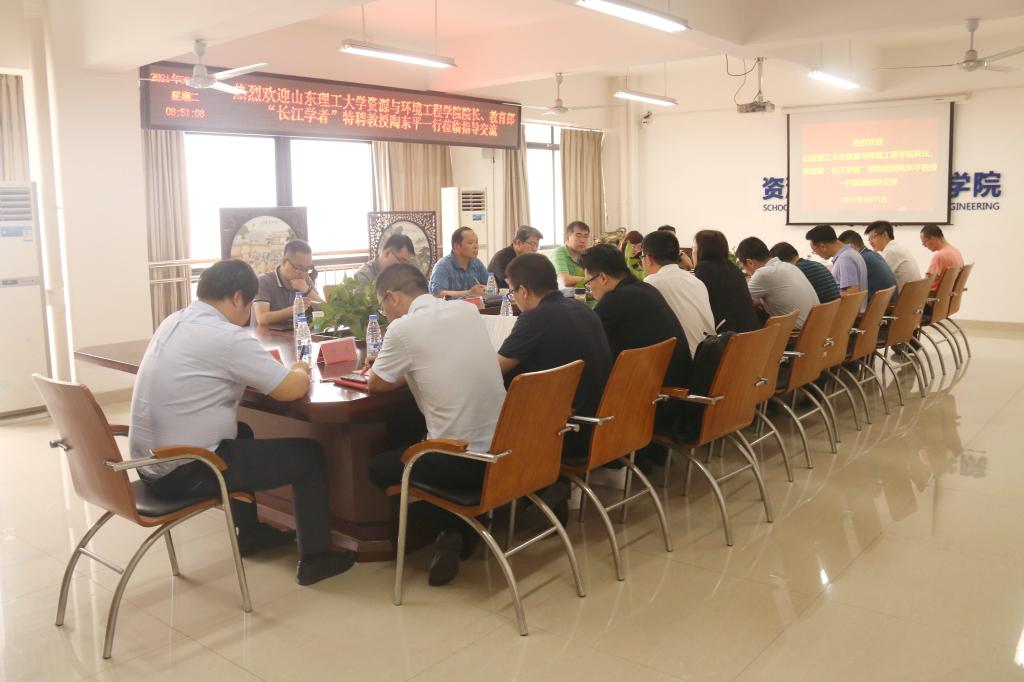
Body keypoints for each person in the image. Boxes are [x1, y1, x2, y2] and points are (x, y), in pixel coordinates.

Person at [130, 259, 354, 586]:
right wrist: (300, 369)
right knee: (309, 455)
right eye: (248, 304)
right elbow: (290, 390)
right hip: (188, 471)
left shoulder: (174, 320)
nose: (248, 312)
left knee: (242, 432)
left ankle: (250, 533)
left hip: (150, 465)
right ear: (237, 297)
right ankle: (316, 558)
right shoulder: (227, 337)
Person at [365, 263, 506, 587]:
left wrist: (402, 367)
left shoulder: (402, 329)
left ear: (392, 297)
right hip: (503, 449)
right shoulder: (467, 311)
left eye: (383, 306)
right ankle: (455, 530)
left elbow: (376, 384)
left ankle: (455, 525)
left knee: (377, 468)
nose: (386, 313)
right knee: (416, 434)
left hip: (460, 459)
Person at [580, 244, 692, 471]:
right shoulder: (645, 289)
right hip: (671, 395)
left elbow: (586, 348)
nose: (590, 289)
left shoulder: (614, 301)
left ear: (602, 278)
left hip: (652, 401)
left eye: (589, 282)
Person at [497, 253, 612, 466]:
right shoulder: (583, 309)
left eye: (512, 292)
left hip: (565, 430)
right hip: (600, 423)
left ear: (523, 290)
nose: (514, 298)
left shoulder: (534, 318)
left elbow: (493, 370)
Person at [641, 230, 715, 353]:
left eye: (642, 257)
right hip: (711, 354)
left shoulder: (651, 283)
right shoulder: (696, 281)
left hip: (685, 360)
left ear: (648, 259)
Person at [736, 236, 819, 329]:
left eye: (743, 267)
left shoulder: (763, 273)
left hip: (796, 333)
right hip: (815, 329)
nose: (745, 271)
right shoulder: (789, 266)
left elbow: (740, 303)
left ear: (750, 262)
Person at [691, 229, 760, 333]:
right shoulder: (733, 268)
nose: (693, 251)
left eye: (694, 247)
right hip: (751, 332)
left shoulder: (704, 268)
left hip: (730, 335)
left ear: (702, 249)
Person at [253, 240, 325, 327]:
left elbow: (327, 311)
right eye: (299, 268)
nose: (303, 274)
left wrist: (307, 291)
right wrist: (294, 309)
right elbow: (262, 319)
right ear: (284, 262)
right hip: (269, 335)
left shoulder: (305, 279)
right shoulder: (264, 281)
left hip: (297, 333)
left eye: (307, 269)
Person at [768, 241, 840, 304]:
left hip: (821, 312)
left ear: (780, 261)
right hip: (835, 310)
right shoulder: (817, 264)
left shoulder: (795, 271)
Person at [805, 224, 868, 295]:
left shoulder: (845, 258)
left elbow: (851, 294)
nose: (816, 253)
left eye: (814, 250)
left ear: (823, 247)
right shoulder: (852, 253)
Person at [428, 226, 489, 298]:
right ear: (457, 247)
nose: (476, 246)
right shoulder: (442, 266)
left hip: (473, 305)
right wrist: (469, 293)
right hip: (450, 305)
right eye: (470, 243)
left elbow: (491, 285)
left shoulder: (476, 263)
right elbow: (438, 294)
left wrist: (484, 288)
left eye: (476, 242)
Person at [838, 229, 898, 302]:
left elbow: (851, 292)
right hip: (888, 303)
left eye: (842, 251)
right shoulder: (874, 255)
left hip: (879, 306)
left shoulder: (861, 260)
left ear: (852, 247)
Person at [863, 220, 921, 291]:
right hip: (914, 294)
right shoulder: (895, 247)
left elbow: (880, 279)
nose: (870, 242)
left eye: (872, 237)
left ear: (884, 235)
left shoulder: (891, 251)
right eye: (869, 239)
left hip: (905, 296)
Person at [920, 224, 964, 291]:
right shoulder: (956, 252)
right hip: (947, 296)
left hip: (932, 295)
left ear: (933, 238)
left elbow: (927, 282)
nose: (924, 246)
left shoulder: (940, 256)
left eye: (924, 242)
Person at [548, 220, 590, 287]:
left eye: (586, 236)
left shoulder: (586, 253)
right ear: (567, 237)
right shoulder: (558, 253)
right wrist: (592, 280)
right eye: (578, 236)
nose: (583, 240)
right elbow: (565, 280)